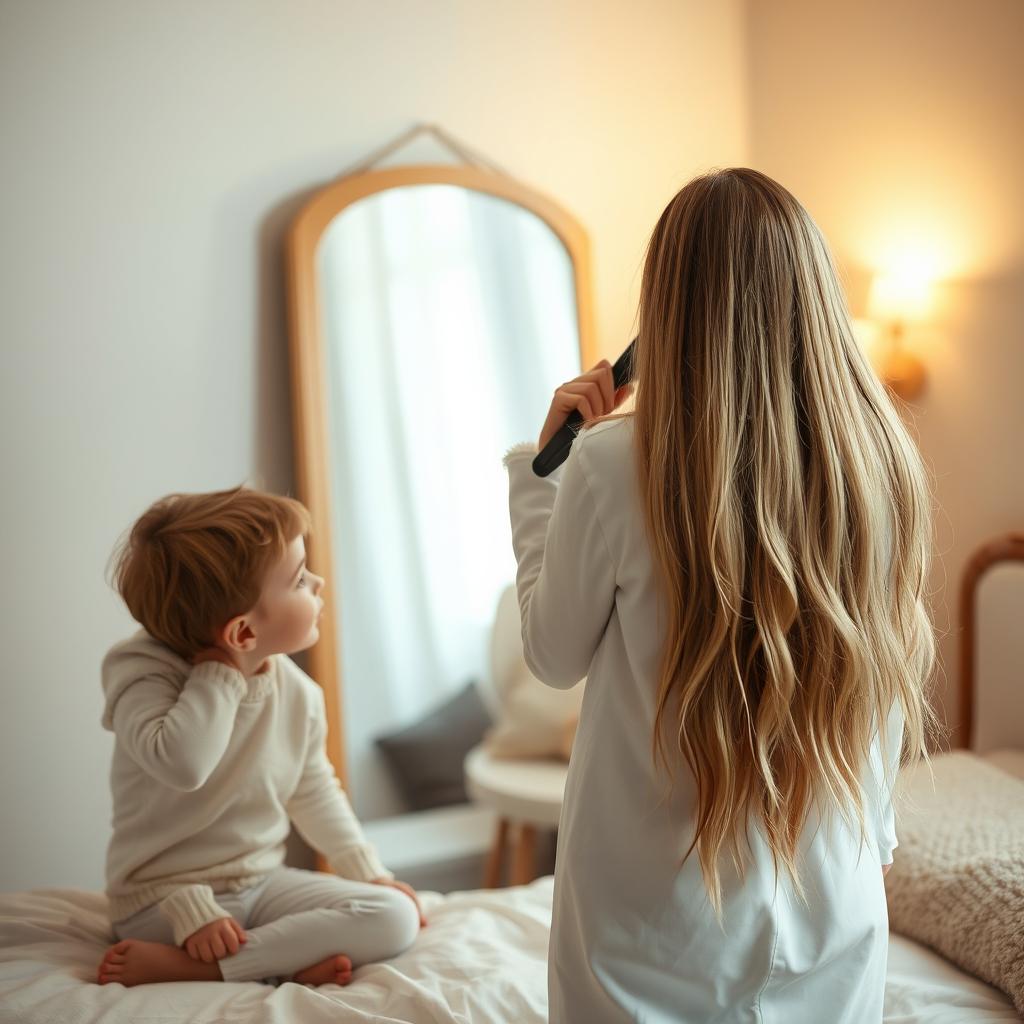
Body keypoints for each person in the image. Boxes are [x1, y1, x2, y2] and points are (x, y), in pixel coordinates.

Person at [502, 167, 937, 1023]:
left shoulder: (609, 464)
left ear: (667, 306)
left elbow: (552, 658)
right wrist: (878, 834)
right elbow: (886, 678)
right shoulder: (880, 463)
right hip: (832, 913)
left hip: (648, 934)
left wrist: (536, 471)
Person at [95, 486, 425, 987]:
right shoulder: (142, 673)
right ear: (243, 634)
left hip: (260, 886)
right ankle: (265, 961)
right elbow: (185, 764)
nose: (317, 582)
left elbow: (313, 789)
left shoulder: (297, 692)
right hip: (163, 901)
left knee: (394, 915)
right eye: (298, 579)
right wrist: (221, 673)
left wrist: (364, 869)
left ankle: (224, 968)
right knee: (191, 910)